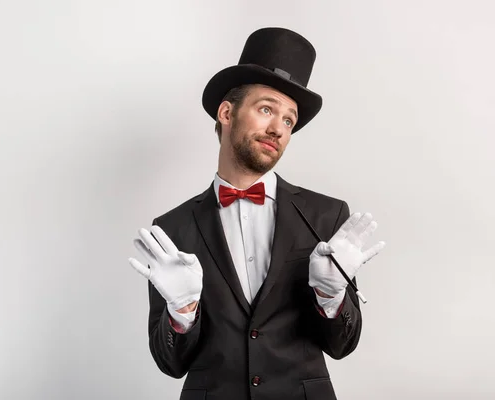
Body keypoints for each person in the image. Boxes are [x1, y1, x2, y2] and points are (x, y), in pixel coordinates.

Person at [127, 27, 386, 400]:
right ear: (227, 112)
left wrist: (331, 297)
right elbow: (171, 363)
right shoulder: (171, 230)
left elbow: (342, 345)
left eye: (288, 121)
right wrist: (182, 312)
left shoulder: (327, 216)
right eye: (267, 109)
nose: (277, 129)